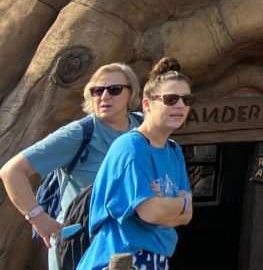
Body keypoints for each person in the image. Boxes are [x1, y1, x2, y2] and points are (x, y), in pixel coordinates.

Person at [2, 64, 142, 270]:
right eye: (97, 91)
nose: (104, 96)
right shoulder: (78, 133)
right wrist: (38, 218)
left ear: (131, 93)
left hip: (128, 244)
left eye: (114, 89)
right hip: (80, 248)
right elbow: (11, 171)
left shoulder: (142, 126)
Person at [79, 58, 194, 270]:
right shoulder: (131, 148)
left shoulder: (174, 151)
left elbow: (187, 217)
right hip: (118, 261)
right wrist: (180, 202)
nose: (180, 105)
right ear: (147, 105)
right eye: (170, 99)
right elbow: (150, 212)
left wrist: (175, 206)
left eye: (186, 100)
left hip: (156, 260)